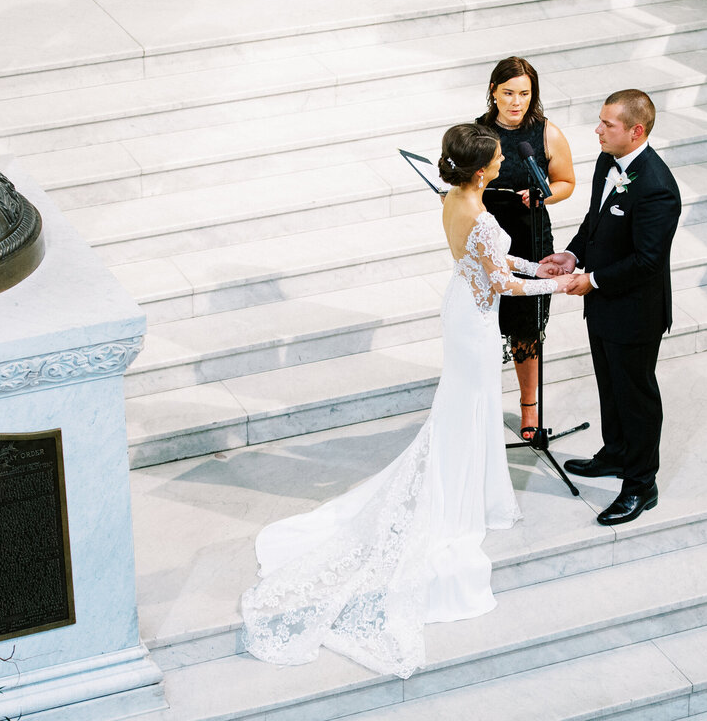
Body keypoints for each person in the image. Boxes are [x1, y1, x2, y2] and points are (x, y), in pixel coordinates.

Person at [240, 124, 571, 678]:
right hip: (475, 320)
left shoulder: (455, 200)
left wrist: (542, 265)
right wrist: (562, 285)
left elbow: (495, 267)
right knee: (467, 406)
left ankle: (468, 482)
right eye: (494, 158)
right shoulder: (484, 217)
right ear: (484, 169)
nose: (498, 163)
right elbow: (500, 285)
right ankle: (458, 495)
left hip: (462, 308)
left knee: (466, 407)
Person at [540, 89, 681, 526]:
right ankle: (616, 453)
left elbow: (647, 260)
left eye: (608, 124)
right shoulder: (608, 161)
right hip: (602, 304)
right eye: (600, 121)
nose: (597, 130)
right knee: (609, 384)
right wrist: (572, 255)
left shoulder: (658, 188)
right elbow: (596, 222)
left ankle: (641, 484)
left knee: (636, 396)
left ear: (636, 131)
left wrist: (592, 280)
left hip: (636, 312)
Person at [476, 56, 576, 440]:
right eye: (508, 93)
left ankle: (528, 408)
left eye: (524, 93)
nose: (516, 102)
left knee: (525, 329)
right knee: (483, 322)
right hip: (487, 235)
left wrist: (542, 198)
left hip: (530, 234)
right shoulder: (478, 133)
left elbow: (566, 181)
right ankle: (480, 404)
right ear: (493, 92)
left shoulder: (546, 132)